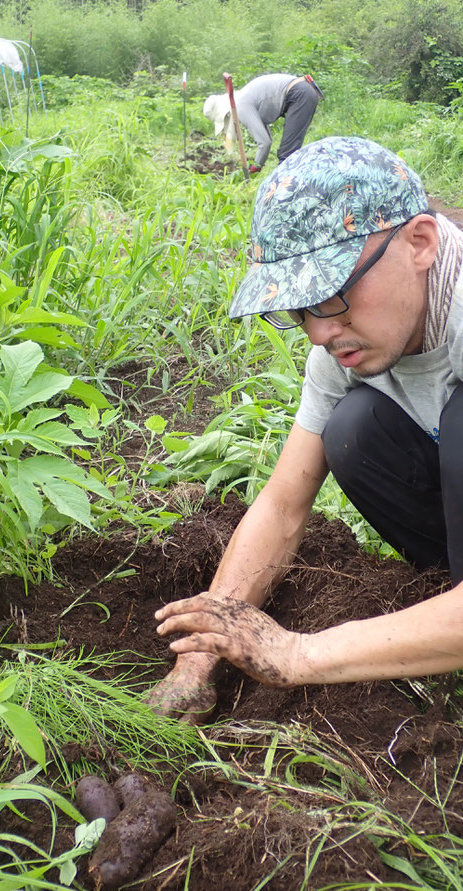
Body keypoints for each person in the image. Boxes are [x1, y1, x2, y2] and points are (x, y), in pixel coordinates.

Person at [147, 135, 463, 722]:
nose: (318, 332)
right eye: (299, 308)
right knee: (355, 428)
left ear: (420, 242)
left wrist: (298, 653)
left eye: (333, 295)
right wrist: (197, 663)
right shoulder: (342, 343)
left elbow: (295, 654)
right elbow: (285, 505)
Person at [203, 73, 322, 173]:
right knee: (287, 152)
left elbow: (264, 143)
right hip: (302, 91)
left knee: (287, 155)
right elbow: (266, 137)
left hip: (299, 94)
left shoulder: (241, 105)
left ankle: (286, 192)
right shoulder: (244, 98)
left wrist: (256, 166)